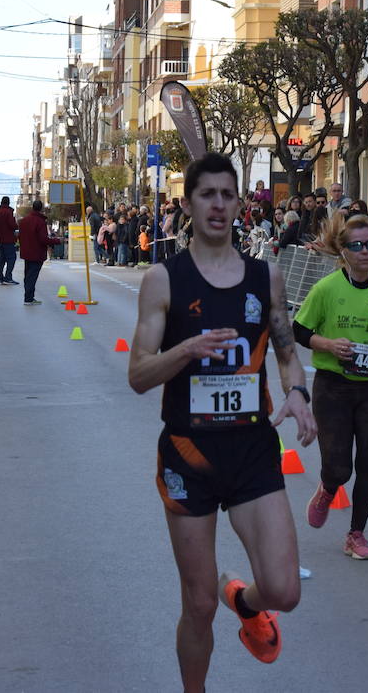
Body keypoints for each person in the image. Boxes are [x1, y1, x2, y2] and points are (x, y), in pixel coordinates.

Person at [127, 152, 315, 689]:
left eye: (226, 195)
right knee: (199, 602)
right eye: (206, 194)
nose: (217, 205)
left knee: (283, 591)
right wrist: (184, 350)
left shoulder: (265, 277)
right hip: (190, 454)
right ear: (188, 204)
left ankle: (245, 599)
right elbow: (138, 376)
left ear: (239, 203)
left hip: (252, 450)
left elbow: (284, 350)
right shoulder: (164, 280)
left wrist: (297, 392)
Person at [293, 213, 368, 561]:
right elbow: (299, 331)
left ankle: (356, 534)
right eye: (356, 246)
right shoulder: (326, 289)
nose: (364, 252)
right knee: (340, 466)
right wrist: (328, 345)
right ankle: (329, 486)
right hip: (334, 386)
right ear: (343, 251)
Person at [18, 201, 62, 305]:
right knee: (32, 276)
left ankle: (28, 297)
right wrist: (57, 241)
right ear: (41, 209)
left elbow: (20, 236)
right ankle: (28, 298)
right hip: (37, 253)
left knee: (28, 275)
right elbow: (43, 239)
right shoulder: (40, 222)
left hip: (26, 252)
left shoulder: (23, 221)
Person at [0, 197, 20, 284]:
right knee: (12, 258)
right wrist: (16, 225)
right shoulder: (8, 212)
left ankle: (0, 278)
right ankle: (8, 277)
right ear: (8, 203)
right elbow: (12, 225)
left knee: (1, 259)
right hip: (9, 239)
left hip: (0, 239)